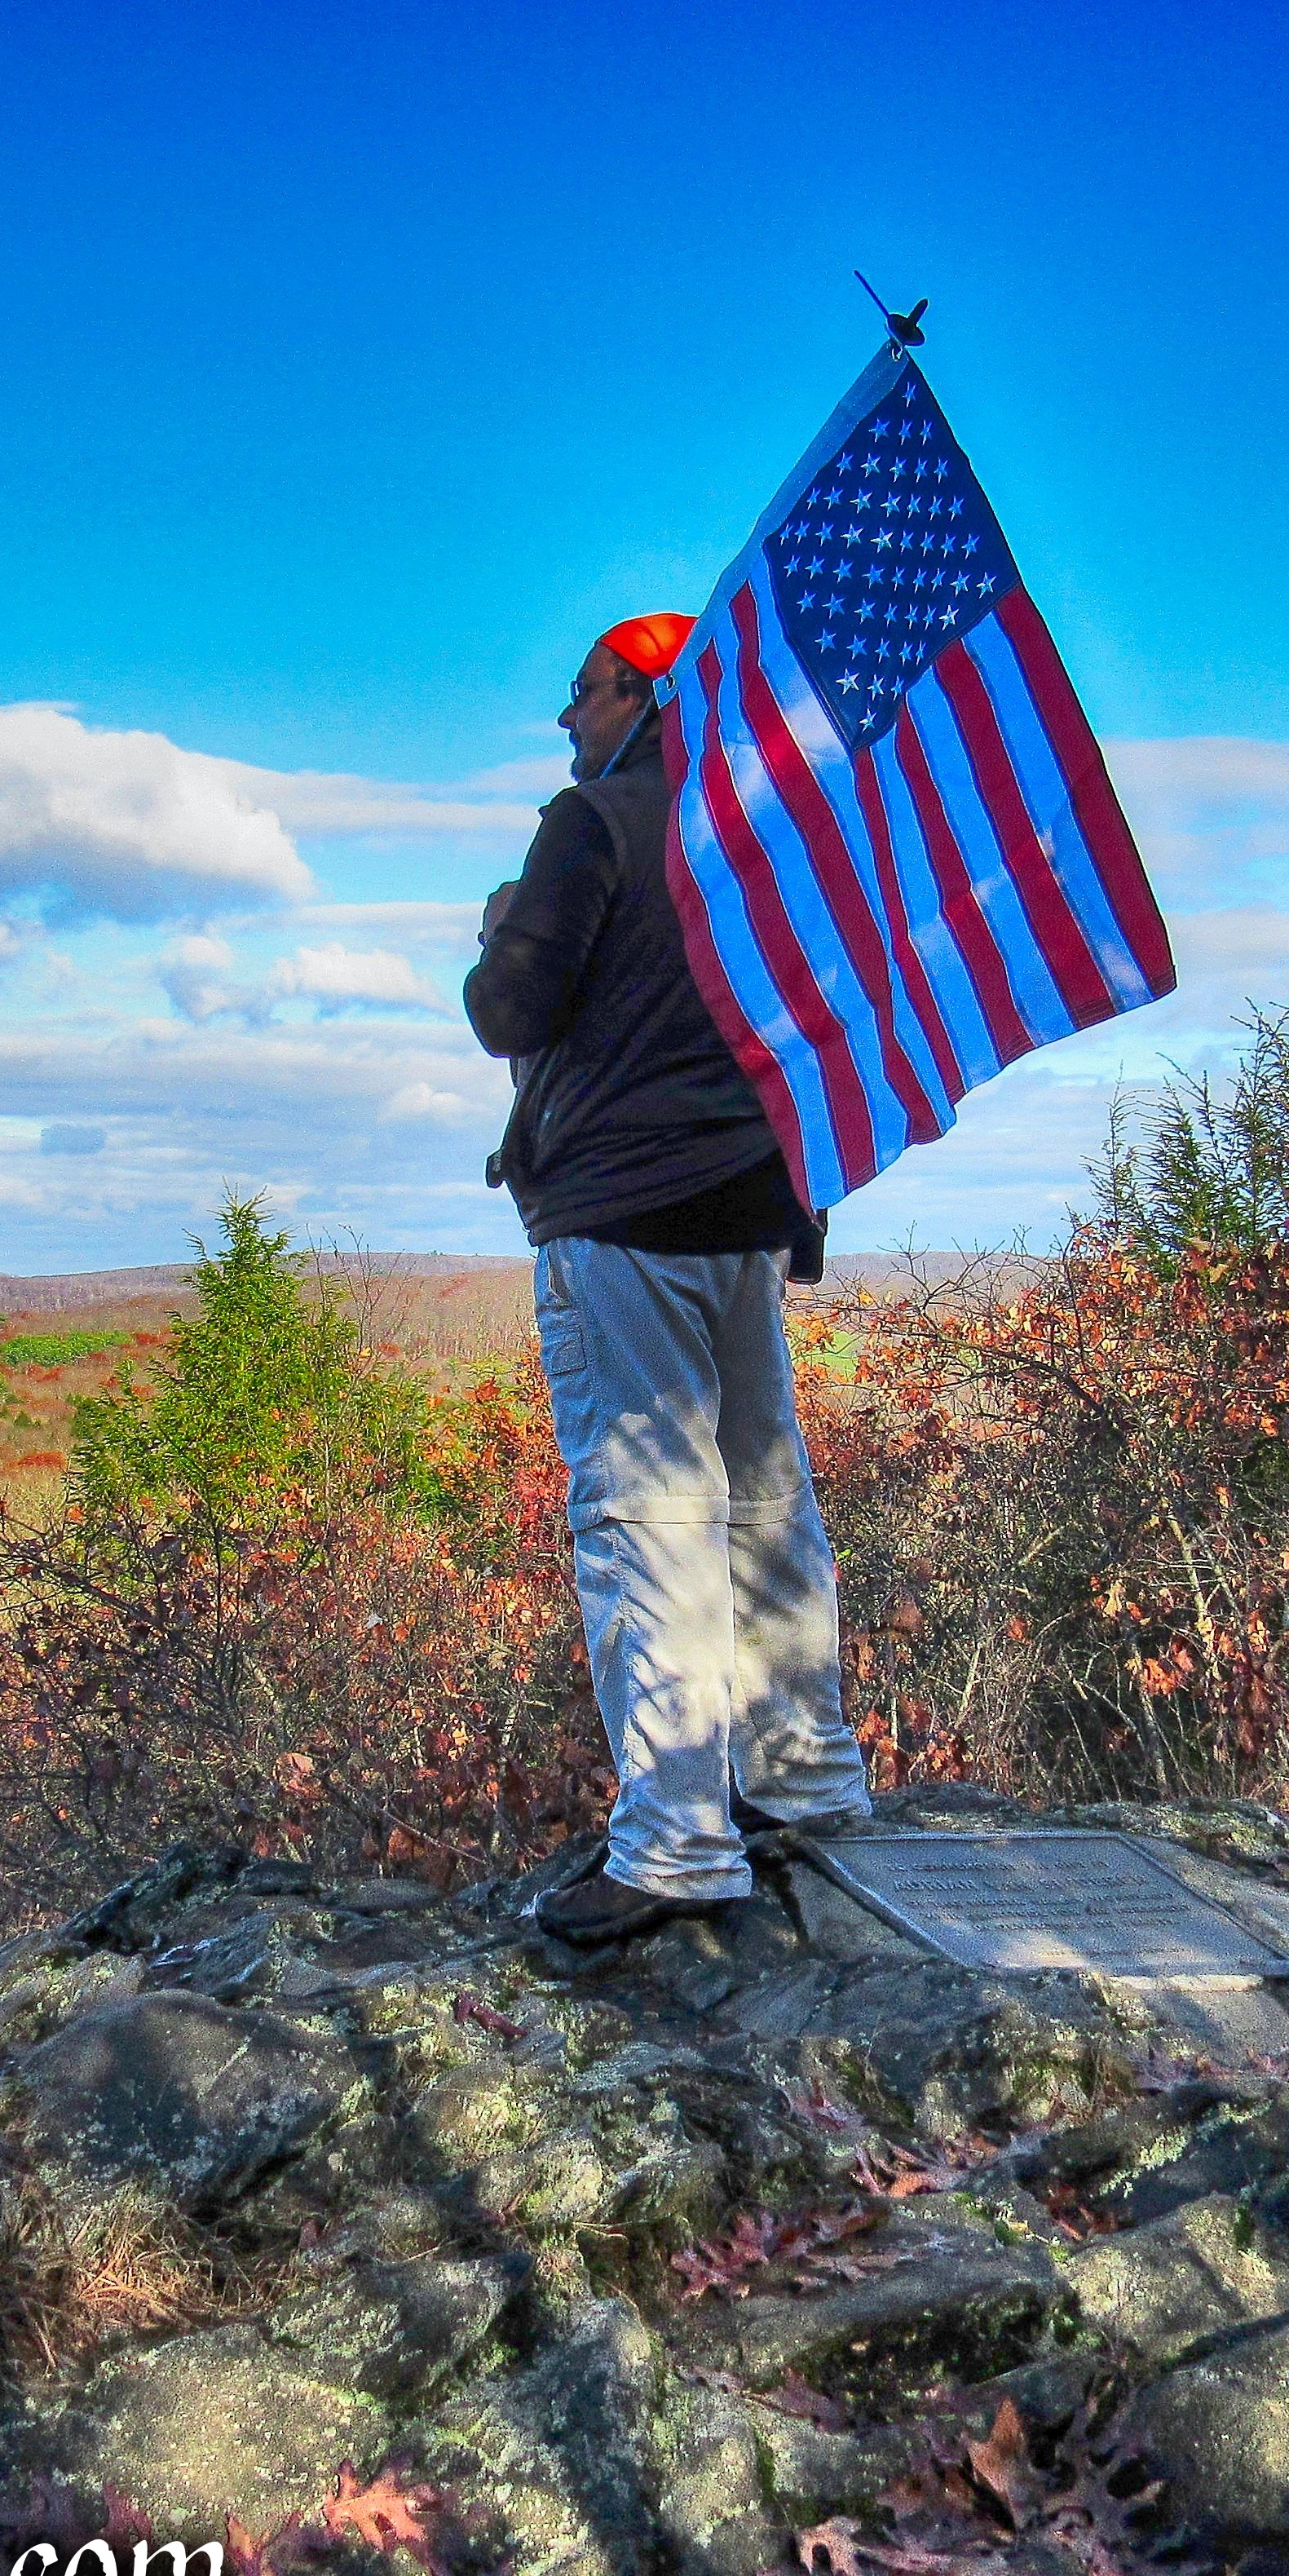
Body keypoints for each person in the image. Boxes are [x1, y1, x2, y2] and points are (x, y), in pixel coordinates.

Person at [464, 612, 875, 1949]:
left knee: (650, 1516)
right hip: (753, 1207)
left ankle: (678, 1844)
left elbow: (510, 1013)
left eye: (581, 692)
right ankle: (806, 1782)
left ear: (643, 698)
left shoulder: (596, 822)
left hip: (623, 1212)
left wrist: (506, 929)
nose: (565, 720)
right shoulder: (770, 841)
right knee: (764, 1498)